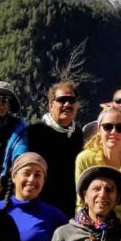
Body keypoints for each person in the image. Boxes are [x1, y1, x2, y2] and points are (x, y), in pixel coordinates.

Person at [75, 104, 121, 223]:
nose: (114, 132)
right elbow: (81, 203)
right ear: (99, 130)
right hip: (93, 226)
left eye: (120, 128)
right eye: (108, 127)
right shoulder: (84, 159)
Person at [26, 81, 84, 216]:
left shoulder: (79, 136)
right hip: (40, 209)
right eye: (62, 100)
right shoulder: (34, 133)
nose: (67, 105)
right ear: (51, 105)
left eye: (71, 100)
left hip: (69, 211)